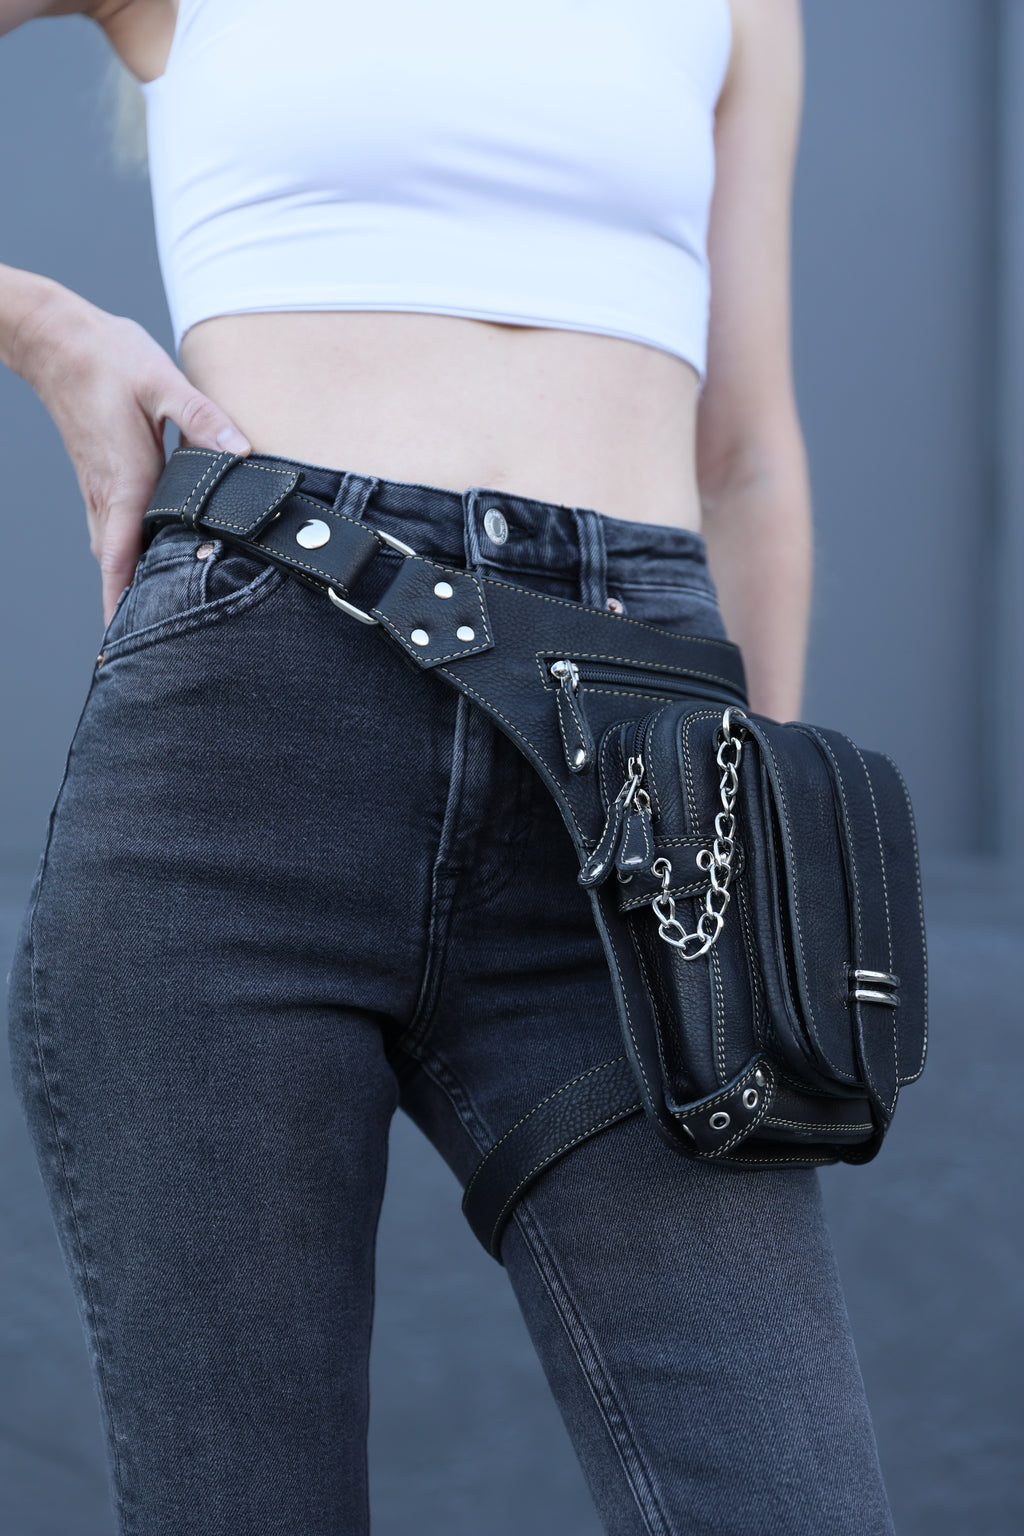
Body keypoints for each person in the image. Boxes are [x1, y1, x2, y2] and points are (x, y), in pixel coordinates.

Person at [1, 0, 897, 1531]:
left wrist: (746, 848)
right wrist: (43, 327)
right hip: (249, 737)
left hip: (643, 778)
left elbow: (746, 450)